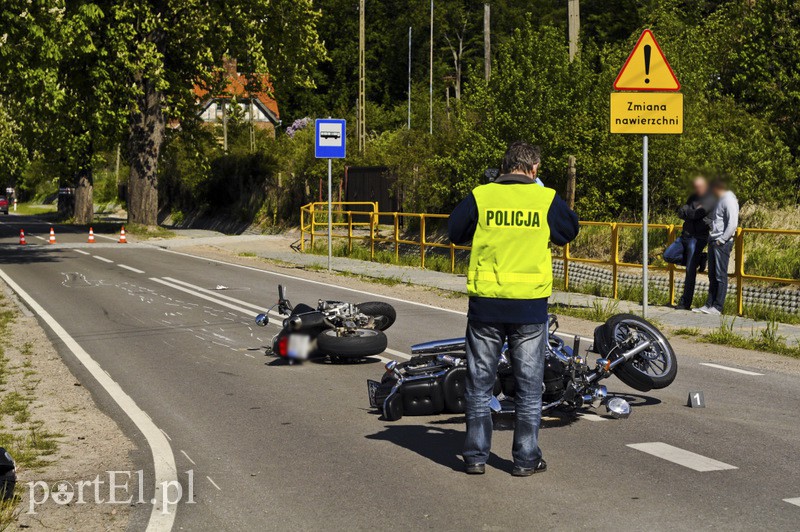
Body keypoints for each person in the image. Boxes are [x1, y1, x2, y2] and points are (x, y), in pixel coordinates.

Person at [448, 141, 579, 476]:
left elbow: (455, 232)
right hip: (529, 308)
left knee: (479, 385)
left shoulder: (482, 195)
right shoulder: (545, 198)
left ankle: (475, 456)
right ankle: (525, 459)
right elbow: (568, 232)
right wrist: (542, 191)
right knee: (529, 388)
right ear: (534, 169)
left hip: (486, 307)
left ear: (504, 166)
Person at [665, 176, 717, 310]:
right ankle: (700, 259)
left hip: (698, 238)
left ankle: (685, 302)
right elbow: (680, 212)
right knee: (668, 255)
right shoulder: (692, 197)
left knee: (690, 270)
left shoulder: (710, 199)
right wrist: (689, 213)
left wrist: (688, 212)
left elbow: (696, 214)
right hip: (685, 235)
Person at [694, 178, 738, 315]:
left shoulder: (728, 199)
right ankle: (709, 305)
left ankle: (717, 307)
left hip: (721, 243)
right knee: (712, 275)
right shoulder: (719, 199)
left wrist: (722, 240)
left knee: (720, 275)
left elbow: (733, 223)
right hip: (713, 240)